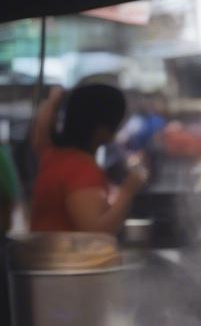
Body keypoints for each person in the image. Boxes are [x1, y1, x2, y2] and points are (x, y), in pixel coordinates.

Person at [30, 84, 146, 234]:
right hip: (68, 256)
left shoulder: (52, 153)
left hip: (43, 255)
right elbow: (94, 232)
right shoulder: (81, 168)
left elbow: (42, 127)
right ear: (104, 128)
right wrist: (128, 191)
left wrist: (54, 101)